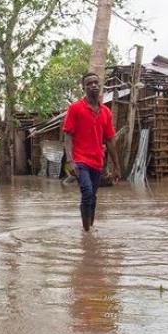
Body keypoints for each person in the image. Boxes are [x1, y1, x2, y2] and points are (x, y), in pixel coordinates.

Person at [62, 72, 117, 232]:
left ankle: (90, 227)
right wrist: (70, 160)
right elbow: (68, 136)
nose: (93, 85)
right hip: (80, 160)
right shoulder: (75, 108)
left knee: (93, 197)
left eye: (95, 83)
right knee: (87, 193)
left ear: (100, 86)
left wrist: (116, 165)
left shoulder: (106, 112)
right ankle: (86, 232)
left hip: (97, 161)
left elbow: (110, 140)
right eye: (89, 83)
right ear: (84, 87)